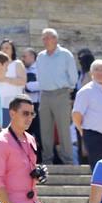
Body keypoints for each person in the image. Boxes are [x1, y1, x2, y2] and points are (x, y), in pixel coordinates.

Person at [34, 30, 76, 166]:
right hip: (44, 95)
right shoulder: (40, 56)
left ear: (55, 39)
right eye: (43, 38)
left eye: (47, 38)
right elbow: (39, 76)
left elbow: (73, 76)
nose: (45, 41)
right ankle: (47, 161)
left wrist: (67, 89)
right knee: (45, 130)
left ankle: (68, 161)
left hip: (61, 94)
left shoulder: (65, 54)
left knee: (64, 130)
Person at [73, 60, 102, 165]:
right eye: (96, 70)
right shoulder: (86, 91)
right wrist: (83, 132)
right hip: (94, 136)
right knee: (99, 170)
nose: (100, 72)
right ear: (91, 73)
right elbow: (76, 114)